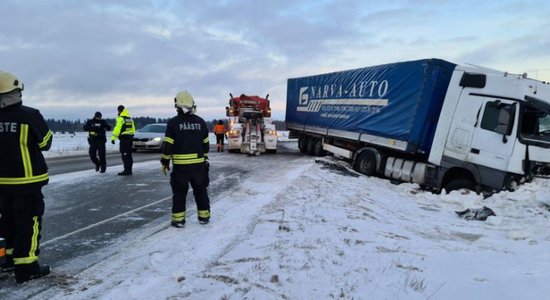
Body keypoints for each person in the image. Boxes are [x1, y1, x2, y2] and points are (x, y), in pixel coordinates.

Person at [0, 71, 52, 283]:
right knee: (28, 224)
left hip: (2, 184)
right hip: (27, 182)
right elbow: (45, 143)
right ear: (16, 91)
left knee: (7, 223)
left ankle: (8, 261)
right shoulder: (29, 115)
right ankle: (27, 267)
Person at [161, 91, 210, 228]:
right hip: (199, 166)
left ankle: (178, 220)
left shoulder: (173, 123)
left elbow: (168, 145)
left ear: (178, 105)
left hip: (181, 168)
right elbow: (205, 144)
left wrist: (165, 162)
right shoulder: (200, 122)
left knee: (179, 194)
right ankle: (204, 217)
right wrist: (204, 158)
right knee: (201, 192)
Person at [111, 105, 135, 176]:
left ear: (119, 110)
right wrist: (131, 135)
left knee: (125, 154)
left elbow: (117, 129)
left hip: (124, 139)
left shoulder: (120, 119)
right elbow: (133, 129)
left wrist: (113, 138)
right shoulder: (130, 119)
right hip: (130, 138)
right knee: (129, 155)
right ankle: (129, 170)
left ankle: (126, 170)